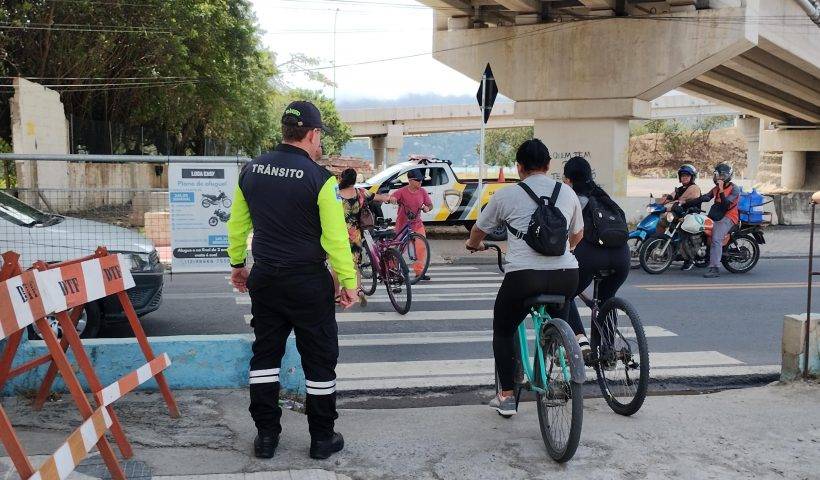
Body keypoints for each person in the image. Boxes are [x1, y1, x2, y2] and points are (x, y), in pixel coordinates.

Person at [226, 101, 356, 461]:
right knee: (319, 358)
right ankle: (321, 438)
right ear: (312, 134)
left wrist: (238, 263)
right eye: (319, 137)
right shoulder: (320, 179)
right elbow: (335, 238)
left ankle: (266, 436)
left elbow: (238, 225)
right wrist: (348, 281)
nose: (319, 144)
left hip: (265, 277)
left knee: (265, 356)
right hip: (307, 281)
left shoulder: (250, 171)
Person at [465, 139, 585, 416]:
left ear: (519, 167)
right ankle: (561, 345)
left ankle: (507, 395)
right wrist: (565, 250)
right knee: (561, 309)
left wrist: (473, 245)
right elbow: (578, 234)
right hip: (566, 274)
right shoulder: (567, 193)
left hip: (524, 277)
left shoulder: (506, 195)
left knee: (503, 329)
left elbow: (478, 231)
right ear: (548, 165)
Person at [562, 156, 630, 355]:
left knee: (565, 296)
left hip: (590, 255)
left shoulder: (571, 197)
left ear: (568, 180)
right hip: (622, 257)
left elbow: (567, 232)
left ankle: (582, 343)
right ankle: (608, 350)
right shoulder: (603, 196)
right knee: (607, 298)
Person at [337, 168, 392, 304]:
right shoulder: (360, 192)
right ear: (354, 180)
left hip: (338, 232)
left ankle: (337, 293)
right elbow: (375, 197)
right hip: (355, 233)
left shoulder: (335, 193)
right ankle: (357, 290)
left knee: (338, 263)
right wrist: (388, 198)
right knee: (355, 263)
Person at [682, 163, 740, 279]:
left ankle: (715, 268)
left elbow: (726, 204)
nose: (719, 178)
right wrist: (687, 204)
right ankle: (705, 257)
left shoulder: (734, 189)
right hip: (717, 215)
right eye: (717, 175)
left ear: (728, 176)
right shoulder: (716, 188)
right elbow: (706, 197)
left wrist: (722, 189)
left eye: (722, 176)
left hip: (729, 217)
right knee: (701, 229)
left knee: (716, 238)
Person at [388, 169, 433, 280]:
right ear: (410, 180)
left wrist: (427, 208)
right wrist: (393, 199)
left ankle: (419, 272)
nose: (420, 182)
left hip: (417, 224)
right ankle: (391, 269)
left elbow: (430, 205)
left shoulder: (422, 191)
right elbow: (393, 197)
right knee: (398, 248)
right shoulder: (402, 191)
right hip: (402, 224)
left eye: (421, 180)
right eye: (418, 180)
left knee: (421, 247)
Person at [655, 164, 702, 270]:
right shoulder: (680, 189)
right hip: (679, 215)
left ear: (692, 177)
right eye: (682, 175)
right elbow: (669, 198)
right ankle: (661, 245)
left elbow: (681, 201)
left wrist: (671, 204)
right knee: (662, 222)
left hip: (690, 216)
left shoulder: (694, 188)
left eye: (687, 175)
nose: (684, 177)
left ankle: (689, 259)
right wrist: (660, 202)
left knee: (683, 235)